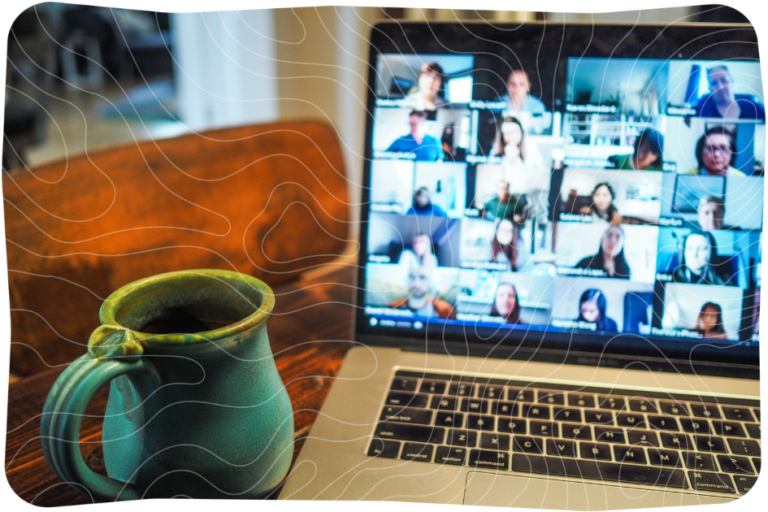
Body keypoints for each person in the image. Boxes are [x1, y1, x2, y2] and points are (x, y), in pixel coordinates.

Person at [696, 65, 766, 120]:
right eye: (714, 83)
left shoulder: (756, 109)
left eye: (724, 80)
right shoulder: (701, 112)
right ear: (709, 89)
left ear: (732, 82)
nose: (720, 87)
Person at [388, 266, 455, 319]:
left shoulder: (445, 310)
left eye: (422, 278)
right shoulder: (394, 306)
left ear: (431, 281)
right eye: (412, 277)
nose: (416, 284)